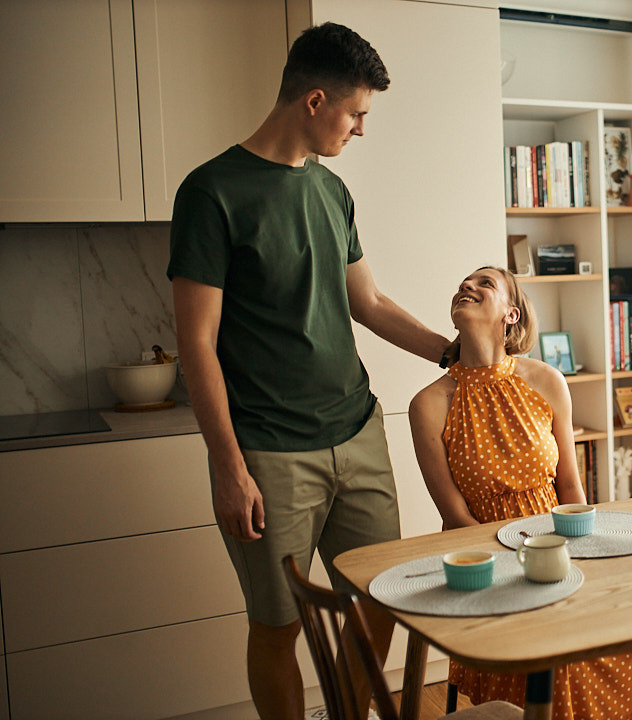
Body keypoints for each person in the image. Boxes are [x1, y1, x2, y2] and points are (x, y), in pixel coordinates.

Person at [168, 23, 449, 720]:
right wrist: (229, 467)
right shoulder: (211, 193)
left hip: (356, 432)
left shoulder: (331, 194)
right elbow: (196, 343)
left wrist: (451, 353)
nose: (361, 131)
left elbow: (370, 303)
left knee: (386, 595)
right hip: (268, 452)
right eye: (357, 115)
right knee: (278, 625)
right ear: (316, 101)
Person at [410, 267, 632, 720]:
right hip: (489, 567)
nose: (467, 286)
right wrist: (519, 569)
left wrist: (587, 559)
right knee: (562, 665)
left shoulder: (547, 381)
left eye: (485, 284)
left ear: (510, 314)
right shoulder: (430, 403)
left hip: (562, 548)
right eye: (463, 283)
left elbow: (572, 489)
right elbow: (454, 516)